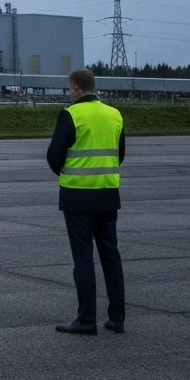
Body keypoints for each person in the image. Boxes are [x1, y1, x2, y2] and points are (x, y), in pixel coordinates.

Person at [47, 67, 126, 335]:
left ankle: (86, 319)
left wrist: (70, 173)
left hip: (77, 197)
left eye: (70, 89)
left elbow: (54, 155)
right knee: (110, 256)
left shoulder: (71, 115)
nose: (69, 93)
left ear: (77, 88)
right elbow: (120, 153)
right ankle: (117, 318)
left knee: (83, 259)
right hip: (107, 194)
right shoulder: (115, 115)